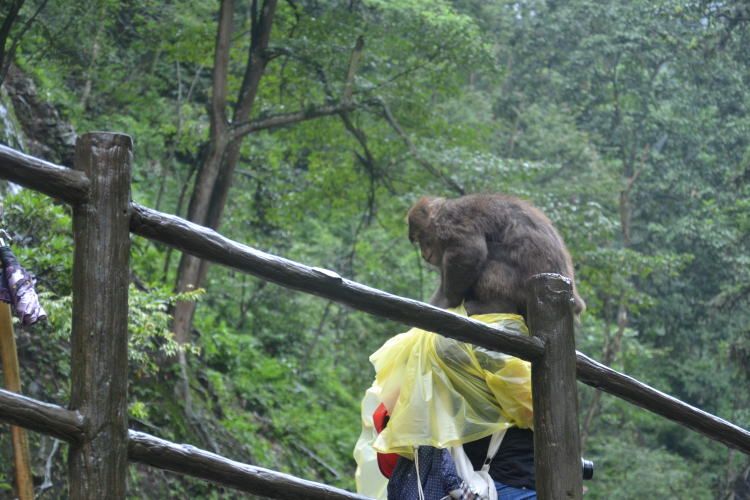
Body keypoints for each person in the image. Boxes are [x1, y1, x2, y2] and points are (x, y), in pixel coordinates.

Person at [354, 304, 537, 500]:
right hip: (512, 481)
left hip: (462, 483)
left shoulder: (429, 346)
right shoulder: (502, 347)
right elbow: (537, 412)